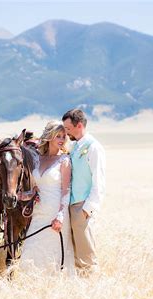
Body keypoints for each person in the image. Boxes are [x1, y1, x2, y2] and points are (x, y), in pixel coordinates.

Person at [20, 121, 76, 274]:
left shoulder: (64, 160)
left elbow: (66, 190)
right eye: (58, 136)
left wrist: (60, 216)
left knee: (53, 255)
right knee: (30, 250)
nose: (62, 139)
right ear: (49, 137)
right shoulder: (38, 159)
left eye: (64, 136)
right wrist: (25, 195)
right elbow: (35, 187)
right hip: (38, 214)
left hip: (55, 214)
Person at [62, 109, 106, 276]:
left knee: (86, 251)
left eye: (68, 128)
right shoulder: (74, 147)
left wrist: (88, 209)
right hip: (71, 205)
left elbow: (99, 181)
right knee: (75, 250)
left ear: (79, 125)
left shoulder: (94, 148)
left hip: (83, 206)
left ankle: (92, 283)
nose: (66, 133)